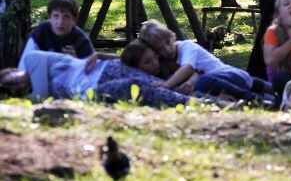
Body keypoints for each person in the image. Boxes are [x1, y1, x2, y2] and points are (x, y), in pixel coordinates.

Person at [0, 46, 197, 108]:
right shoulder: (37, 90)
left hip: (106, 68)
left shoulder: (32, 58)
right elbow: (40, 95)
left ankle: (204, 96)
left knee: (159, 84)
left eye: (14, 79)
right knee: (140, 85)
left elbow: (40, 94)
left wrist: (16, 100)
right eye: (17, 88)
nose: (20, 83)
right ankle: (199, 103)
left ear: (11, 70)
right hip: (93, 90)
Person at [138, 20, 274, 105]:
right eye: (160, 48)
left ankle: (255, 100)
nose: (167, 49)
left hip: (232, 76)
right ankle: (268, 100)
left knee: (203, 82)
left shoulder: (186, 46)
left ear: (171, 36)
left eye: (167, 42)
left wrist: (168, 84)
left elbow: (188, 68)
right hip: (221, 84)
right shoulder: (164, 62)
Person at [18, 0, 94, 74]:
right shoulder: (42, 31)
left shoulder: (81, 41)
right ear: (49, 17)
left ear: (74, 20)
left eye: (66, 17)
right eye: (56, 16)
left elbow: (92, 74)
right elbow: (24, 64)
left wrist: (75, 62)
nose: (60, 22)